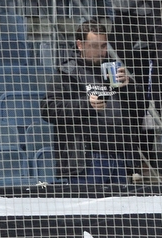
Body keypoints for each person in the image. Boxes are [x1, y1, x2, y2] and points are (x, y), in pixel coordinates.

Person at [42, 21, 148, 184]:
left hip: (119, 156)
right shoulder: (68, 72)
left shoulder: (113, 70)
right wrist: (86, 105)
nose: (102, 51)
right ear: (80, 45)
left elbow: (141, 108)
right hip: (87, 160)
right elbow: (48, 108)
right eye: (95, 46)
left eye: (104, 45)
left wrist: (130, 87)